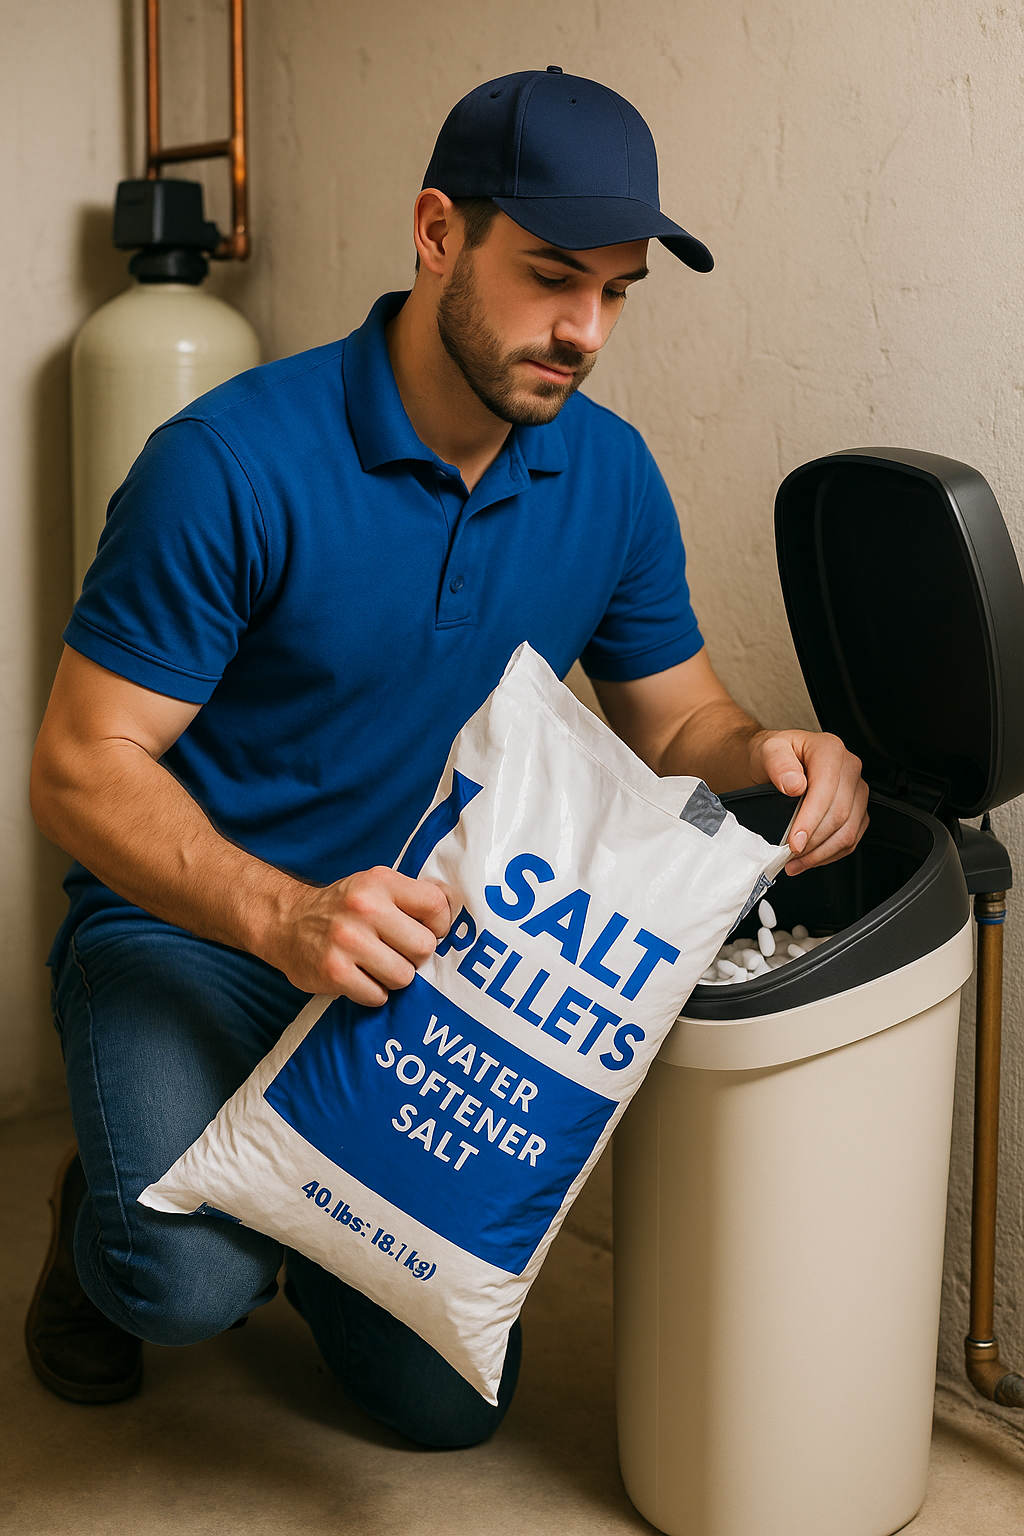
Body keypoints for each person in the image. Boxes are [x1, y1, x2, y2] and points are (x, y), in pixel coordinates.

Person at [27, 67, 868, 1444]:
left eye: (615, 293)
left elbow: (681, 723)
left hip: (416, 980)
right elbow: (77, 764)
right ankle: (118, 1216)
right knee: (177, 1278)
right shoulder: (232, 463)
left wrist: (769, 748)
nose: (584, 330)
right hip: (197, 934)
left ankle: (277, 1194)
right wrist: (282, 914)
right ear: (436, 236)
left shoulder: (608, 476)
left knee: (446, 1414)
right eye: (550, 278)